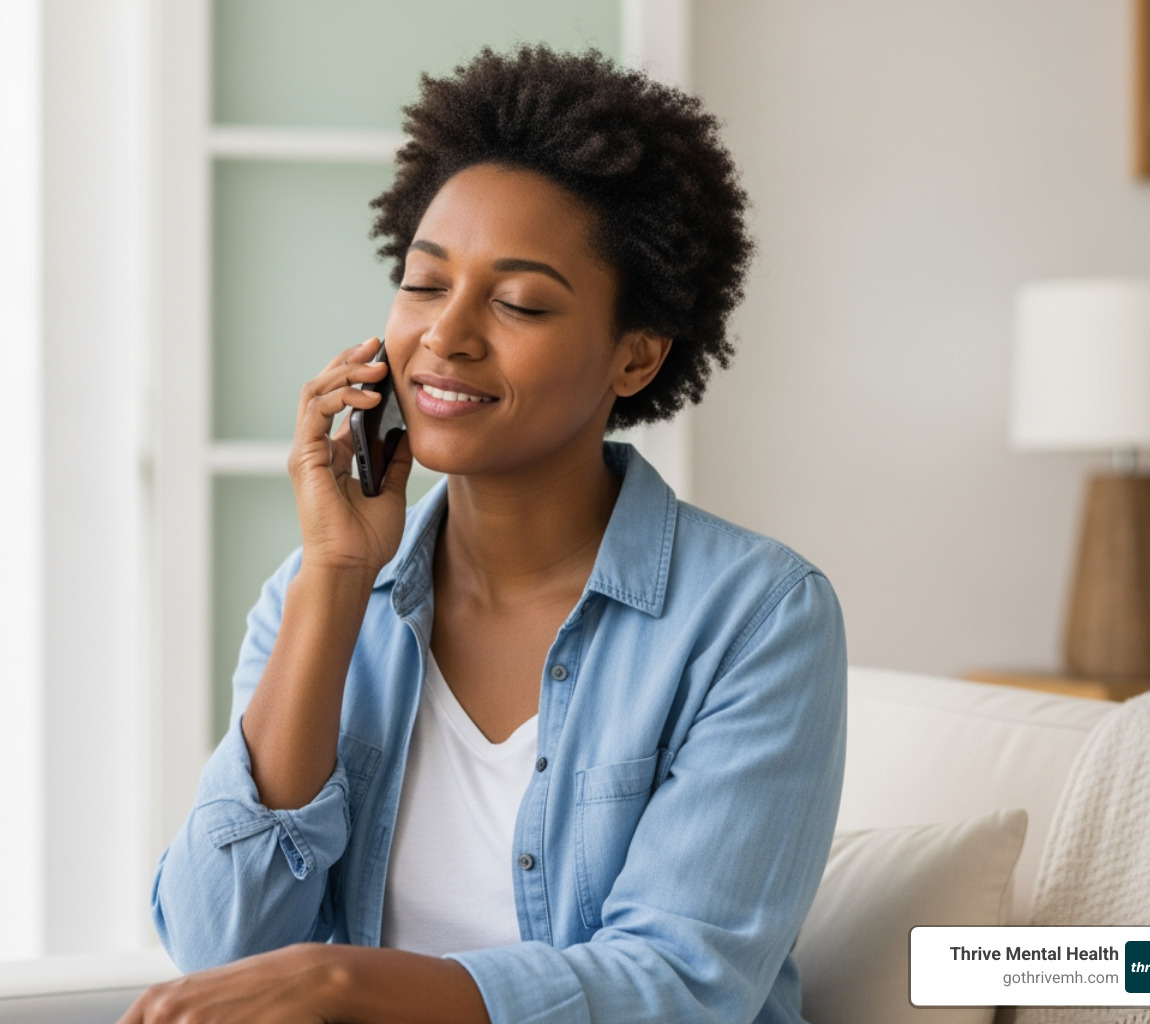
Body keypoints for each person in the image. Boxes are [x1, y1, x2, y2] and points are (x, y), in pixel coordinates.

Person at [125, 45, 847, 1024]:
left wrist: (351, 982)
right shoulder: (318, 601)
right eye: (425, 286)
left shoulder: (756, 618)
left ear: (634, 355)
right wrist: (338, 578)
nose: (445, 335)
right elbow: (221, 948)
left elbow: (684, 985)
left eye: (518, 302)